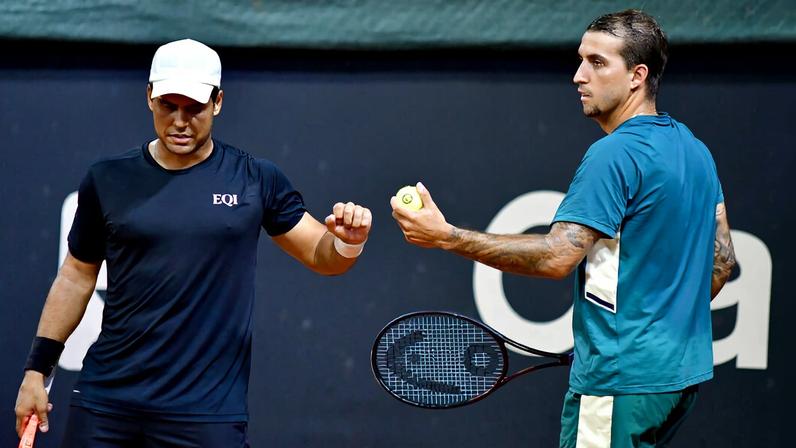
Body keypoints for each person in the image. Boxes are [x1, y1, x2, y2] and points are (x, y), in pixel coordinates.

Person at [391, 10, 735, 448]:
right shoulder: (696, 151)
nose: (578, 76)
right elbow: (721, 262)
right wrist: (652, 326)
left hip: (620, 381)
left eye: (597, 62)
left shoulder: (614, 154)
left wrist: (447, 236)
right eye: (579, 60)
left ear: (637, 75)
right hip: (678, 379)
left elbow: (557, 256)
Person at [15, 38, 372, 447]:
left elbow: (320, 254)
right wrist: (35, 372)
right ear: (150, 97)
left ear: (218, 102)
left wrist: (347, 242)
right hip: (107, 403)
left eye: (194, 108)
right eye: (168, 105)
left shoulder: (255, 179)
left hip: (206, 414)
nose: (180, 121)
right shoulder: (107, 179)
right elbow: (76, 277)